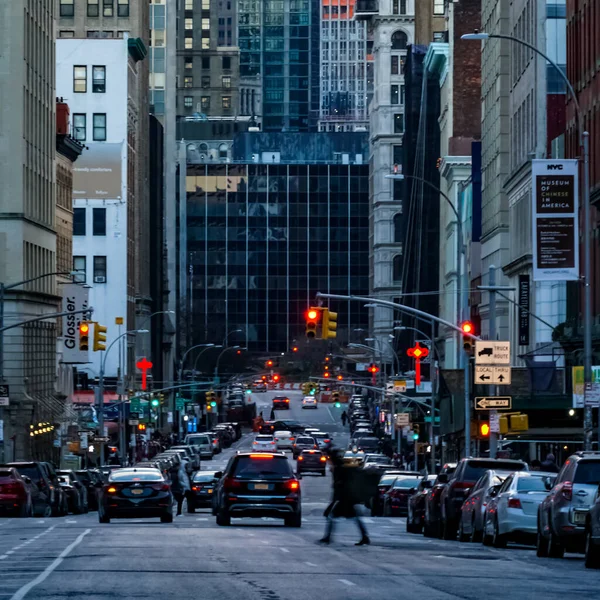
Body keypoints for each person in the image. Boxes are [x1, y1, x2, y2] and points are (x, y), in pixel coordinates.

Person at [319, 447, 370, 546]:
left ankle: (328, 537)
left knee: (332, 517)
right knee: (354, 518)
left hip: (344, 498)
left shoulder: (340, 468)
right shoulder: (342, 466)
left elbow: (339, 485)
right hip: (346, 498)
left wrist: (335, 500)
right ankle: (364, 536)